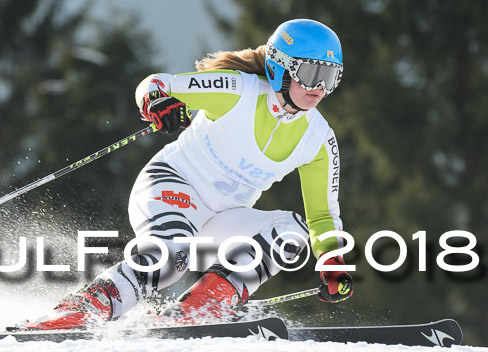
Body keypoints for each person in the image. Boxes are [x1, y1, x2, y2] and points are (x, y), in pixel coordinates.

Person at [23, 18, 354, 330]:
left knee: (291, 232)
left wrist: (332, 260)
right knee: (169, 260)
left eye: (331, 77)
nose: (320, 88)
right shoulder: (238, 91)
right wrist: (157, 102)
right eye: (312, 73)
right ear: (281, 67)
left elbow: (322, 215)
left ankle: (193, 313)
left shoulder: (318, 139)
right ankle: (79, 311)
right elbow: (155, 84)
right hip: (172, 186)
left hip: (223, 218)